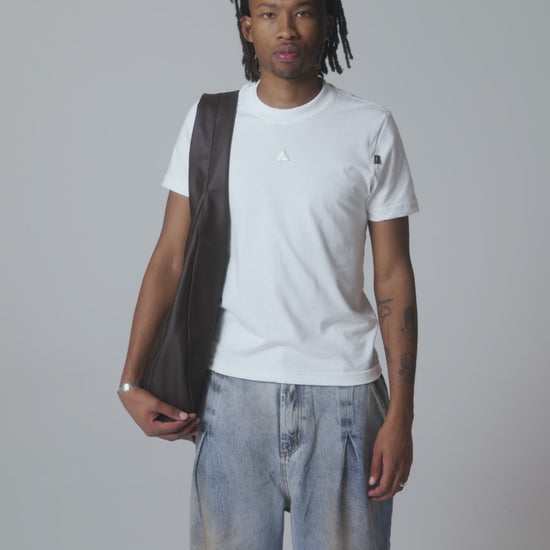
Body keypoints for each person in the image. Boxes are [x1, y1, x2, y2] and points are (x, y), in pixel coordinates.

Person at [118, 0, 419, 548]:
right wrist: (130, 380)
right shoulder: (210, 122)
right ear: (247, 27)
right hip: (231, 400)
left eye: (302, 12)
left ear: (326, 23)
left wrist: (402, 414)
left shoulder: (369, 127)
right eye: (268, 13)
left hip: (344, 400)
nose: (286, 29)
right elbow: (169, 256)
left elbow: (393, 276)